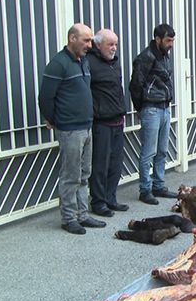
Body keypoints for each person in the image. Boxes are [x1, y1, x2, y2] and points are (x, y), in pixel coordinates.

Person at [39, 24, 106, 234]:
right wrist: (55, 120)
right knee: (71, 175)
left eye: (90, 40)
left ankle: (82, 215)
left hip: (86, 126)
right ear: (72, 38)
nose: (89, 45)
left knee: (85, 173)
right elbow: (45, 98)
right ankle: (69, 218)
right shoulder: (58, 64)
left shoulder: (83, 61)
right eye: (85, 41)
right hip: (70, 129)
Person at [129, 24, 179, 205]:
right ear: (157, 39)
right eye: (168, 40)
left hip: (165, 107)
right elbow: (135, 85)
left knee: (162, 150)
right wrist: (140, 108)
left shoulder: (164, 55)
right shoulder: (146, 57)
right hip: (151, 108)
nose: (171, 43)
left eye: (172, 40)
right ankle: (145, 190)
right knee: (148, 152)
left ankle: (158, 185)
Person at [86, 29, 129, 217]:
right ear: (98, 44)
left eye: (116, 44)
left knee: (115, 163)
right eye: (110, 44)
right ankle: (98, 202)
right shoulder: (89, 63)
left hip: (117, 120)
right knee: (100, 165)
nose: (114, 48)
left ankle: (111, 198)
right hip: (101, 123)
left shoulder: (115, 63)